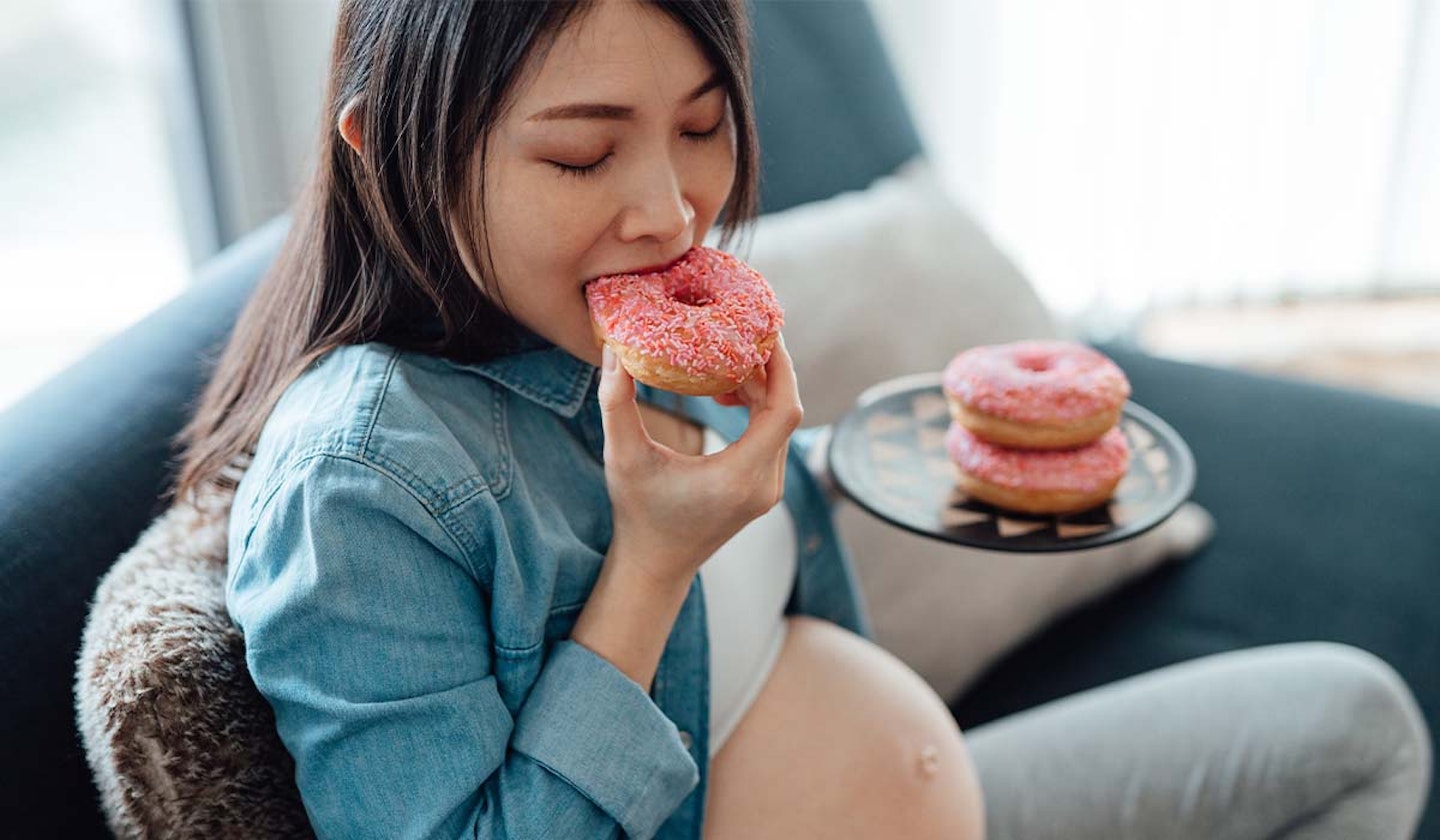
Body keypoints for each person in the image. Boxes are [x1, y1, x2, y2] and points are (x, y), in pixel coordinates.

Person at [168, 1, 1432, 837]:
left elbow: (749, 585)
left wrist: (891, 463)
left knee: (1354, 721)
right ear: (391, 157)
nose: (671, 212)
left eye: (702, 128)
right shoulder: (364, 488)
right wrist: (652, 566)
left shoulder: (599, 330)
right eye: (580, 157)